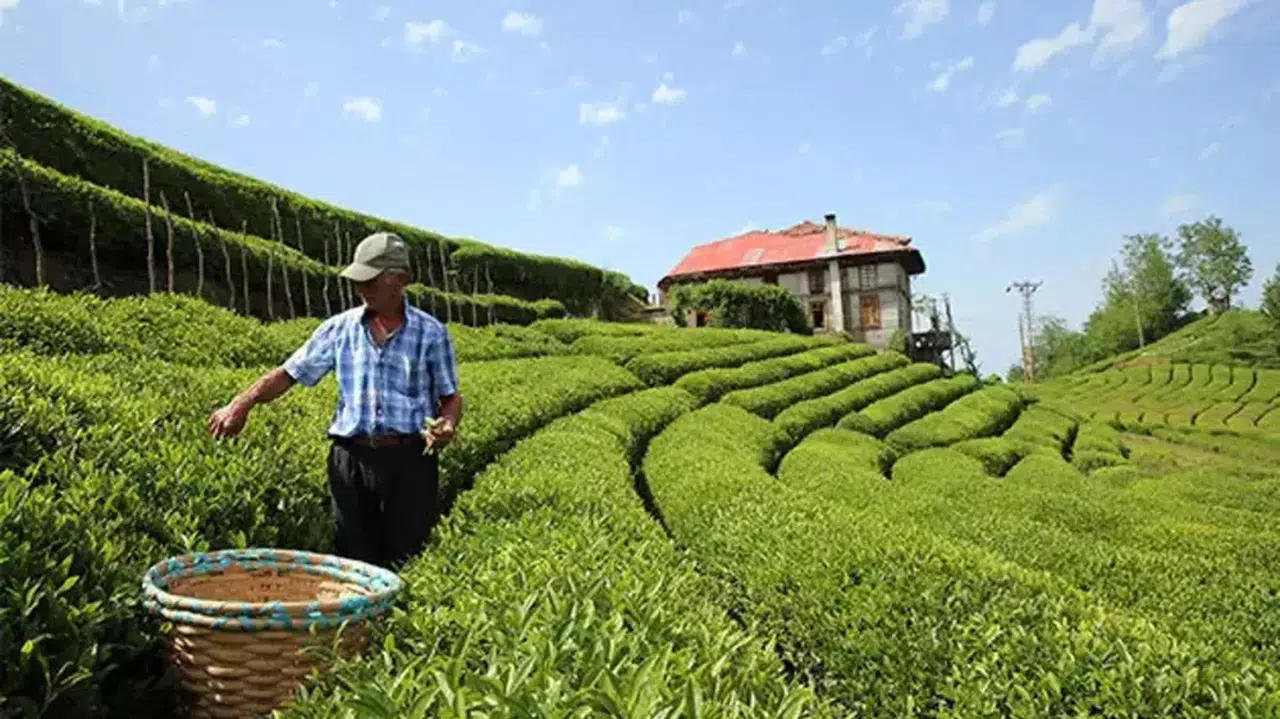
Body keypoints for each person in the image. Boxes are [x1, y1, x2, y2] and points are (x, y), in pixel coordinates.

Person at [207, 231, 463, 571]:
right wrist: (242, 402)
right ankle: (359, 626)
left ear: (399, 280)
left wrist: (447, 424)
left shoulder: (431, 333)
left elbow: (450, 397)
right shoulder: (339, 328)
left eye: (369, 281)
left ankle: (396, 624)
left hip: (409, 460)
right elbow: (288, 373)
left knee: (408, 555)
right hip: (350, 457)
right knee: (353, 560)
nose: (360, 288)